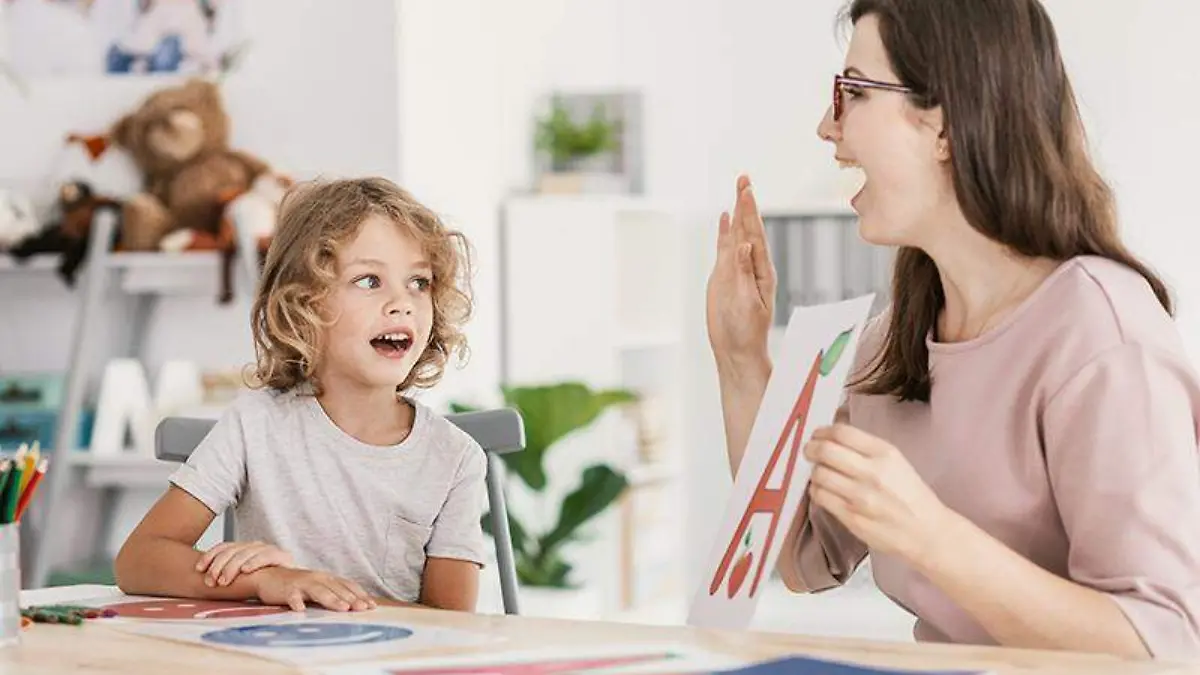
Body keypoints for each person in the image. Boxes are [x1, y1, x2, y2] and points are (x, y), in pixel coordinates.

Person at [706, 0, 1200, 660]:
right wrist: (741, 358)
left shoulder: (1103, 339)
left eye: (853, 92)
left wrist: (933, 537)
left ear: (945, 122)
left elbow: (1164, 644)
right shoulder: (894, 342)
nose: (828, 126)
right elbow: (802, 555)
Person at [115, 177, 487, 613]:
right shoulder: (256, 424)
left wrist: (333, 602)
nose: (402, 302)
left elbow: (453, 626)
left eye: (419, 283)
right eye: (369, 281)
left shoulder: (456, 458)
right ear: (302, 304)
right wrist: (264, 580)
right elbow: (138, 559)